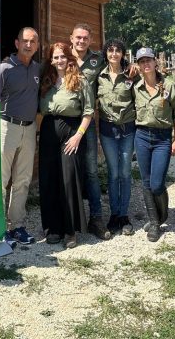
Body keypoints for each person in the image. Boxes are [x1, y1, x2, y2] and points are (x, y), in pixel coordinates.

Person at [38, 42, 94, 249]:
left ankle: (70, 230)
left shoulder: (80, 80)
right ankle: (53, 228)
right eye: (55, 57)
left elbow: (88, 112)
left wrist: (78, 135)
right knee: (49, 179)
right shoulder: (46, 81)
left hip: (71, 132)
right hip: (48, 131)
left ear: (69, 58)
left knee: (69, 179)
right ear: (51, 60)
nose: (59, 60)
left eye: (62, 56)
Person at [133, 47, 175, 242]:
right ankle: (154, 222)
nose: (146, 64)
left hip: (162, 138)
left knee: (157, 183)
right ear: (138, 65)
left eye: (148, 60)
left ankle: (162, 214)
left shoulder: (169, 86)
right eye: (142, 61)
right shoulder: (136, 87)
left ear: (155, 62)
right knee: (146, 182)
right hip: (142, 136)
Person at [69, 23, 111, 240]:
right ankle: (68, 220)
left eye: (85, 38)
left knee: (92, 171)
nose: (81, 41)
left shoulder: (97, 60)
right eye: (78, 37)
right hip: (66, 121)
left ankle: (96, 218)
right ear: (71, 38)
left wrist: (131, 68)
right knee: (67, 171)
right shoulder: (63, 57)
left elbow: (115, 68)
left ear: (91, 40)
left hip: (88, 122)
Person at [0, 27, 40, 247]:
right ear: (17, 43)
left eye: (33, 41)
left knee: (23, 180)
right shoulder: (4, 68)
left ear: (37, 45)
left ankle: (17, 226)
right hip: (7, 126)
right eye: (25, 41)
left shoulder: (37, 68)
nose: (28, 45)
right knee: (2, 179)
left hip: (29, 128)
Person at [96, 38, 137, 235]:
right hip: (107, 131)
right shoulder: (100, 76)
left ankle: (124, 215)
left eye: (118, 50)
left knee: (125, 172)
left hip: (127, 129)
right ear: (106, 53)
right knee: (113, 173)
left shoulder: (131, 74)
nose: (114, 54)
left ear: (123, 54)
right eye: (110, 50)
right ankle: (114, 214)